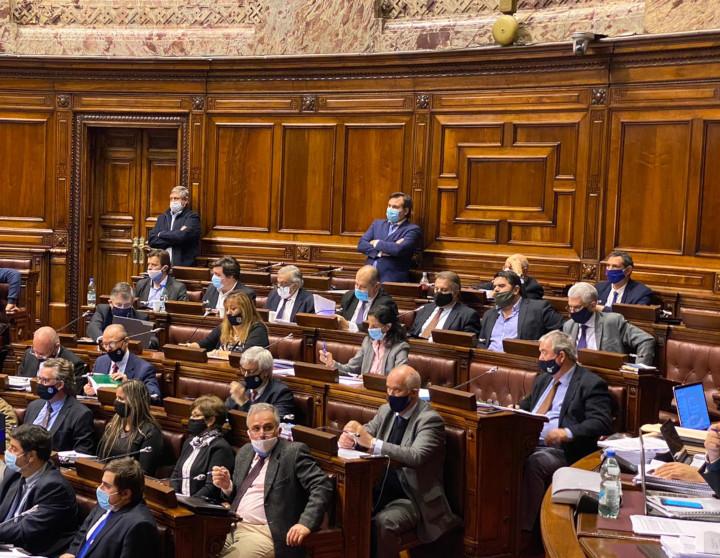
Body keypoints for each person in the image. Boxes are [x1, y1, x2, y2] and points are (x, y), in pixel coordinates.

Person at [339, 365, 460, 558]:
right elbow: (366, 431)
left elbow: (416, 456)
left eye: (396, 390)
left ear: (413, 393)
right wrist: (350, 436)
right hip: (381, 488)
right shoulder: (386, 410)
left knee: (383, 522)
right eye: (388, 388)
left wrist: (373, 443)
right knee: (346, 509)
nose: (390, 394)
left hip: (413, 496)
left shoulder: (430, 420)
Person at [518, 331, 613, 539]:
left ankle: (527, 532)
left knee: (536, 462)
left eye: (544, 353)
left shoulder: (590, 383)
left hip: (564, 450)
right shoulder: (543, 380)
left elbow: (601, 422)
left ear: (561, 356)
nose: (540, 359)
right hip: (528, 440)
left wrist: (567, 432)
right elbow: (525, 407)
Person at [211, 403, 333, 558]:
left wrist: (305, 523)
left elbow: (322, 485)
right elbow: (236, 496)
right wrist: (227, 486)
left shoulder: (293, 452)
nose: (262, 434)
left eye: (268, 428)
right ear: (249, 433)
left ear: (279, 430)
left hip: (264, 533)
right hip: (231, 526)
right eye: (256, 429)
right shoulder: (245, 452)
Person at [0, 424, 78, 556]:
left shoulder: (55, 487)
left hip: (32, 550)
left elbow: (26, 530)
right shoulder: (13, 473)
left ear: (30, 457)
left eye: (13, 449)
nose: (8, 452)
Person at [60, 457, 160, 558]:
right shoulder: (106, 503)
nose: (100, 488)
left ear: (125, 494)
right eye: (102, 482)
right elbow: (83, 534)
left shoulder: (139, 525)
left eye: (107, 486)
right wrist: (71, 553)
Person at [562, 282, 655, 365]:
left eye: (577, 307)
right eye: (570, 307)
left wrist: (639, 369)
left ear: (593, 305)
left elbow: (646, 340)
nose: (572, 312)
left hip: (606, 377)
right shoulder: (569, 326)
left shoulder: (613, 322)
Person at [478, 270, 563, 351]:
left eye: (501, 286)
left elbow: (559, 334)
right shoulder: (489, 314)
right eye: (494, 286)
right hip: (489, 361)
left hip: (521, 362)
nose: (496, 290)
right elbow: (482, 343)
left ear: (516, 290)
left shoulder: (538, 309)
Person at [24, 358, 95, 454]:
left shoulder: (80, 414)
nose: (39, 384)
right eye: (38, 379)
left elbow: (83, 452)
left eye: (45, 380)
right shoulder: (33, 406)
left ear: (60, 385)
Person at [170, 395, 235, 500]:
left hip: (201, 507)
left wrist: (188, 502)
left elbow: (212, 487)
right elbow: (176, 474)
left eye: (196, 416)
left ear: (211, 420)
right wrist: (174, 497)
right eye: (191, 415)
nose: (191, 419)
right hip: (181, 503)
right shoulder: (190, 442)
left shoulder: (220, 448)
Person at [97, 380, 164, 475]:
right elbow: (101, 458)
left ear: (135, 402)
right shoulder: (114, 424)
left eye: (121, 399)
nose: (116, 402)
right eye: (116, 397)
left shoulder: (150, 433)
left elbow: (144, 472)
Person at [320, 305, 409, 376]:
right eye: (369, 325)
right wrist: (332, 363)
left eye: (374, 326)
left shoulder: (400, 347)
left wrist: (372, 381)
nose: (369, 329)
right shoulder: (368, 342)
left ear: (387, 327)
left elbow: (399, 378)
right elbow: (351, 368)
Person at [84, 324, 161, 400]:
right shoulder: (100, 362)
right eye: (104, 344)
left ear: (126, 342)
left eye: (112, 344)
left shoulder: (144, 368)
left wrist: (129, 385)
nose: (108, 349)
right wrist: (89, 391)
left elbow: (154, 397)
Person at [357, 192, 422, 282]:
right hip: (367, 278)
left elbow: (398, 250)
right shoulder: (377, 224)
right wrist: (381, 252)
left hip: (391, 279)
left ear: (406, 211)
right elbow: (361, 245)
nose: (390, 209)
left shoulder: (412, 229)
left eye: (395, 207)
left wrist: (376, 243)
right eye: (389, 206)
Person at [225, 346, 295, 420]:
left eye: (250, 371)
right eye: (243, 370)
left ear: (265, 372)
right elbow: (225, 412)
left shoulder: (281, 393)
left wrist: (244, 402)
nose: (245, 375)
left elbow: (272, 423)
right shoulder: (242, 387)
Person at [189, 291, 268, 354]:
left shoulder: (257, 329)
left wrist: (219, 353)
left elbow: (246, 356)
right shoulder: (224, 327)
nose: (228, 313)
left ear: (245, 311)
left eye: (233, 309)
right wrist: (189, 347)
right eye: (227, 309)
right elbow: (205, 343)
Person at [409, 271, 481, 340]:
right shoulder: (424, 309)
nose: (438, 293)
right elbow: (412, 334)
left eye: (444, 290)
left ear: (455, 293)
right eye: (436, 289)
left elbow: (466, 343)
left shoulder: (467, 315)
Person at [148, 185, 201, 267]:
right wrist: (175, 238)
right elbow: (152, 240)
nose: (173, 201)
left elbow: (182, 236)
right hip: (161, 266)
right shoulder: (163, 217)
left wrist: (161, 234)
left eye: (176, 198)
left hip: (183, 266)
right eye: (171, 198)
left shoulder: (192, 217)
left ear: (185, 200)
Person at [336, 265, 397, 332]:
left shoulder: (386, 304)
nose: (357, 289)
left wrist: (350, 326)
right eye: (356, 284)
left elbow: (377, 329)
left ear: (376, 286)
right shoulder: (349, 296)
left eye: (363, 287)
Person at [18, 325, 87, 378]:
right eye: (34, 351)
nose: (36, 356)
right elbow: (19, 380)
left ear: (56, 347)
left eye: (41, 354)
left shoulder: (74, 364)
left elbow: (74, 392)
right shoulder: (28, 354)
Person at [473, 254, 545, 300]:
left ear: (524, 270)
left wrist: (518, 275)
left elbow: (525, 303)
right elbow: (474, 290)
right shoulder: (499, 282)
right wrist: (490, 294)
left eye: (510, 268)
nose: (506, 271)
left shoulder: (534, 287)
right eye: (505, 267)